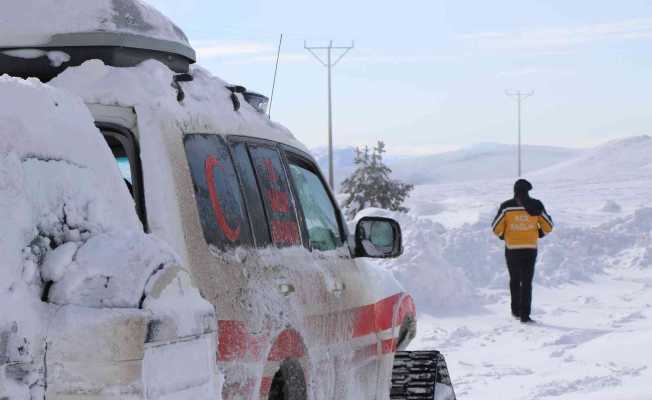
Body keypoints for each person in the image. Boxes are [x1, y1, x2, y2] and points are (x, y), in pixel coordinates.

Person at [491, 179, 553, 324]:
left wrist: (503, 236)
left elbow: (495, 227)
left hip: (512, 249)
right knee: (526, 282)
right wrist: (539, 233)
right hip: (530, 249)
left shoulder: (506, 207)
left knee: (514, 280)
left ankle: (515, 311)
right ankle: (525, 315)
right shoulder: (536, 205)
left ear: (515, 190)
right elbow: (548, 225)